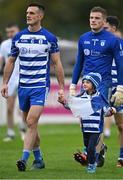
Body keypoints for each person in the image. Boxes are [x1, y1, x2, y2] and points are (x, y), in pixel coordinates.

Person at [1, 3, 65, 171]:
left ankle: (24, 158)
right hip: (23, 87)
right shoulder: (18, 37)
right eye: (27, 12)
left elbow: (57, 63)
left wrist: (61, 87)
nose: (28, 15)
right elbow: (11, 61)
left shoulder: (49, 38)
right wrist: (5, 83)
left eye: (32, 13)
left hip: (40, 86)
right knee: (30, 125)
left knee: (30, 121)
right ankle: (39, 159)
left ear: (40, 16)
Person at [69, 6, 123, 167]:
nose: (93, 20)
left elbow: (120, 64)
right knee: (85, 121)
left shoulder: (113, 40)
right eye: (91, 17)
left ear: (104, 21)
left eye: (97, 18)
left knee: (100, 119)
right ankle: (97, 151)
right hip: (86, 84)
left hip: (104, 84)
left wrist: (120, 87)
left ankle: (94, 154)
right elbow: (79, 62)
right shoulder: (83, 38)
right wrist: (73, 84)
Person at [68, 72, 115, 173]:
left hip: (96, 129)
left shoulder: (99, 97)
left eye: (88, 82)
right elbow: (73, 105)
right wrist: (63, 102)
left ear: (94, 85)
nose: (84, 84)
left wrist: (111, 111)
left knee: (90, 148)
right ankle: (100, 150)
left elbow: (105, 111)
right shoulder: (81, 96)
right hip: (85, 128)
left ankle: (91, 165)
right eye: (83, 82)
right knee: (87, 145)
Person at [0, 23, 26, 141]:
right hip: (10, 79)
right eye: (8, 32)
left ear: (18, 30)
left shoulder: (24, 42)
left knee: (24, 106)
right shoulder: (4, 45)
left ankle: (23, 124)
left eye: (12, 31)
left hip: (23, 77)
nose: (10, 34)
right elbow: (2, 61)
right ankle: (10, 132)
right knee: (9, 107)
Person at [104, 16, 123, 167]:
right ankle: (95, 153)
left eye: (106, 28)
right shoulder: (98, 44)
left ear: (113, 29)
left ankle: (122, 156)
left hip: (119, 89)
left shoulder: (121, 45)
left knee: (121, 125)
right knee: (95, 122)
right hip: (104, 88)